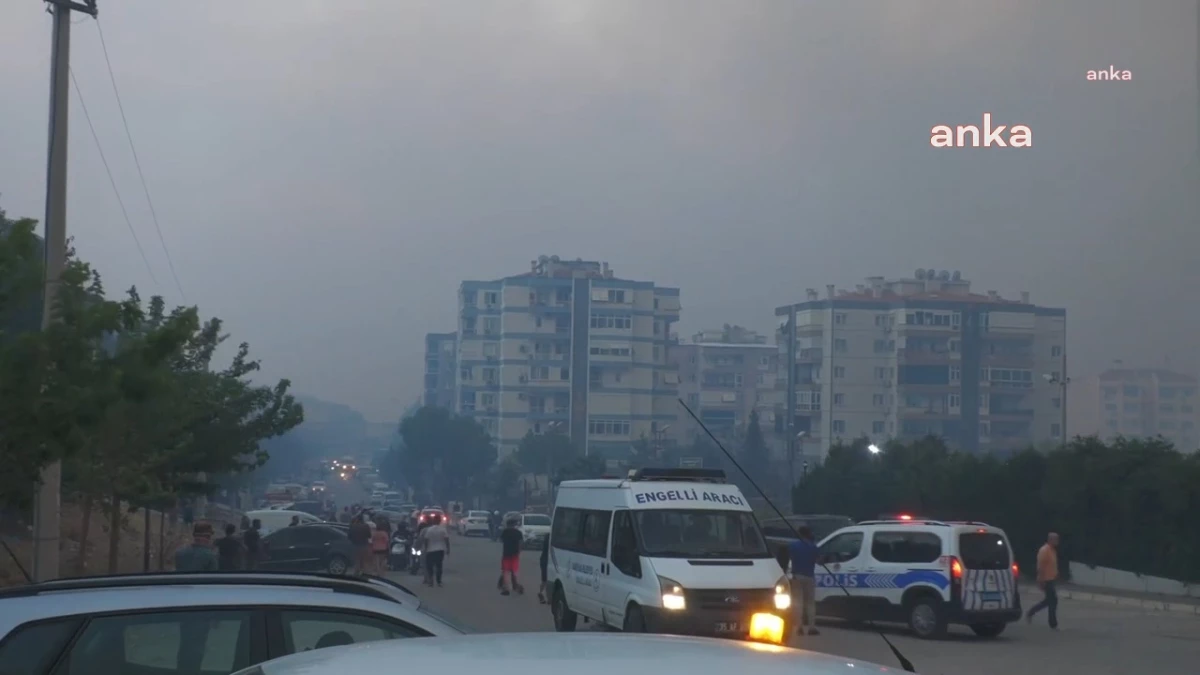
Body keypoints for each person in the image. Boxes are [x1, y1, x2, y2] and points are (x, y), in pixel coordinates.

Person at [787, 525, 819, 636]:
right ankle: (812, 627)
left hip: (797, 576)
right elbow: (818, 560)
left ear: (799, 534)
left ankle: (799, 627)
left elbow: (789, 558)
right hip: (810, 576)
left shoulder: (793, 546)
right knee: (810, 603)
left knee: (798, 603)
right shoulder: (813, 546)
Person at [1027, 532, 1060, 629]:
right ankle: (1053, 623)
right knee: (1053, 600)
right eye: (1056, 539)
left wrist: (1056, 573)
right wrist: (1041, 580)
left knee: (1049, 601)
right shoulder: (1044, 550)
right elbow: (1041, 567)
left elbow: (1052, 564)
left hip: (1051, 579)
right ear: (1050, 540)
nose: (1057, 541)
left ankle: (1031, 612)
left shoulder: (1052, 550)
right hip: (1046, 579)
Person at [418, 513, 450, 587]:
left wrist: (426, 549)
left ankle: (431, 580)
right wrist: (448, 549)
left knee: (430, 566)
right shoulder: (443, 529)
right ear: (440, 521)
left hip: (430, 550)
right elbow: (446, 540)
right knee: (439, 566)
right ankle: (439, 581)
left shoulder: (429, 530)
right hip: (440, 550)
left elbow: (426, 540)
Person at [499, 517, 524, 595]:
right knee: (513, 571)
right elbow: (520, 543)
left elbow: (501, 540)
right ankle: (515, 586)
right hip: (515, 555)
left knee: (505, 571)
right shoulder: (518, 533)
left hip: (506, 554)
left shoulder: (505, 532)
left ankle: (506, 588)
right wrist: (519, 552)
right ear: (514, 525)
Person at [537, 528, 550, 603]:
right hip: (546, 560)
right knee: (547, 580)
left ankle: (541, 593)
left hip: (544, 559)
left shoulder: (547, 536)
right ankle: (546, 597)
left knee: (544, 580)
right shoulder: (550, 538)